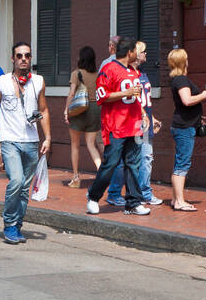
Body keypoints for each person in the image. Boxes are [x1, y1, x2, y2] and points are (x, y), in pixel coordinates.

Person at [0, 42, 51, 244]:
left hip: (31, 141)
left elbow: (44, 110)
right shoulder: (1, 82)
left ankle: (17, 226)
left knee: (23, 188)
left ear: (30, 58)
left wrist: (47, 137)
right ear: (13, 58)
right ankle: (9, 223)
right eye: (19, 55)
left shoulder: (38, 81)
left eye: (27, 56)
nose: (23, 59)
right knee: (16, 181)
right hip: (9, 140)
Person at [85, 37, 149, 216]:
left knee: (134, 164)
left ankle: (133, 202)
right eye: (135, 51)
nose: (137, 54)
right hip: (116, 126)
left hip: (134, 124)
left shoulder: (134, 71)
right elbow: (101, 96)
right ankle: (93, 196)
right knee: (111, 163)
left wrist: (143, 114)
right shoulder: (108, 69)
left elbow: (135, 98)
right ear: (129, 52)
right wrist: (124, 93)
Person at [107, 40, 162, 206]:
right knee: (126, 160)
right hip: (131, 123)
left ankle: (145, 192)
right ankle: (114, 193)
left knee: (146, 158)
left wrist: (152, 118)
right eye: (143, 51)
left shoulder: (143, 73)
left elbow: (144, 100)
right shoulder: (126, 73)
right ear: (136, 55)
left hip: (144, 123)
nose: (146, 54)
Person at [168, 48, 206, 211]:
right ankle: (180, 201)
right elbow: (186, 101)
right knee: (182, 164)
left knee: (179, 162)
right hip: (184, 127)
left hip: (183, 125)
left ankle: (175, 199)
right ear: (183, 61)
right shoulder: (181, 80)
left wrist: (198, 116)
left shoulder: (177, 79)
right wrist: (204, 95)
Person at [63, 45, 102, 187]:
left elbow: (72, 93)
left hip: (78, 109)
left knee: (75, 145)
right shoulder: (97, 75)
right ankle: (102, 173)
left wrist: (66, 110)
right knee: (91, 145)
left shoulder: (76, 73)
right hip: (94, 109)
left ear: (81, 58)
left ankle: (76, 178)